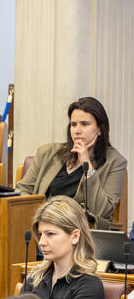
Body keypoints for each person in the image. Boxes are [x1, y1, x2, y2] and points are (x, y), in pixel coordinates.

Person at [16, 96, 127, 229]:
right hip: (40, 226)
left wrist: (87, 165)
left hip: (81, 231)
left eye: (85, 124)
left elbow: (103, 211)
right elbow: (22, 190)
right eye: (73, 124)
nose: (77, 130)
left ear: (99, 129)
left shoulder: (115, 162)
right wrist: (40, 215)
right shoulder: (47, 153)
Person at [21, 196, 105, 299]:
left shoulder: (89, 286)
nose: (41, 242)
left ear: (75, 236)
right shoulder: (35, 278)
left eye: (51, 234)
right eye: (41, 234)